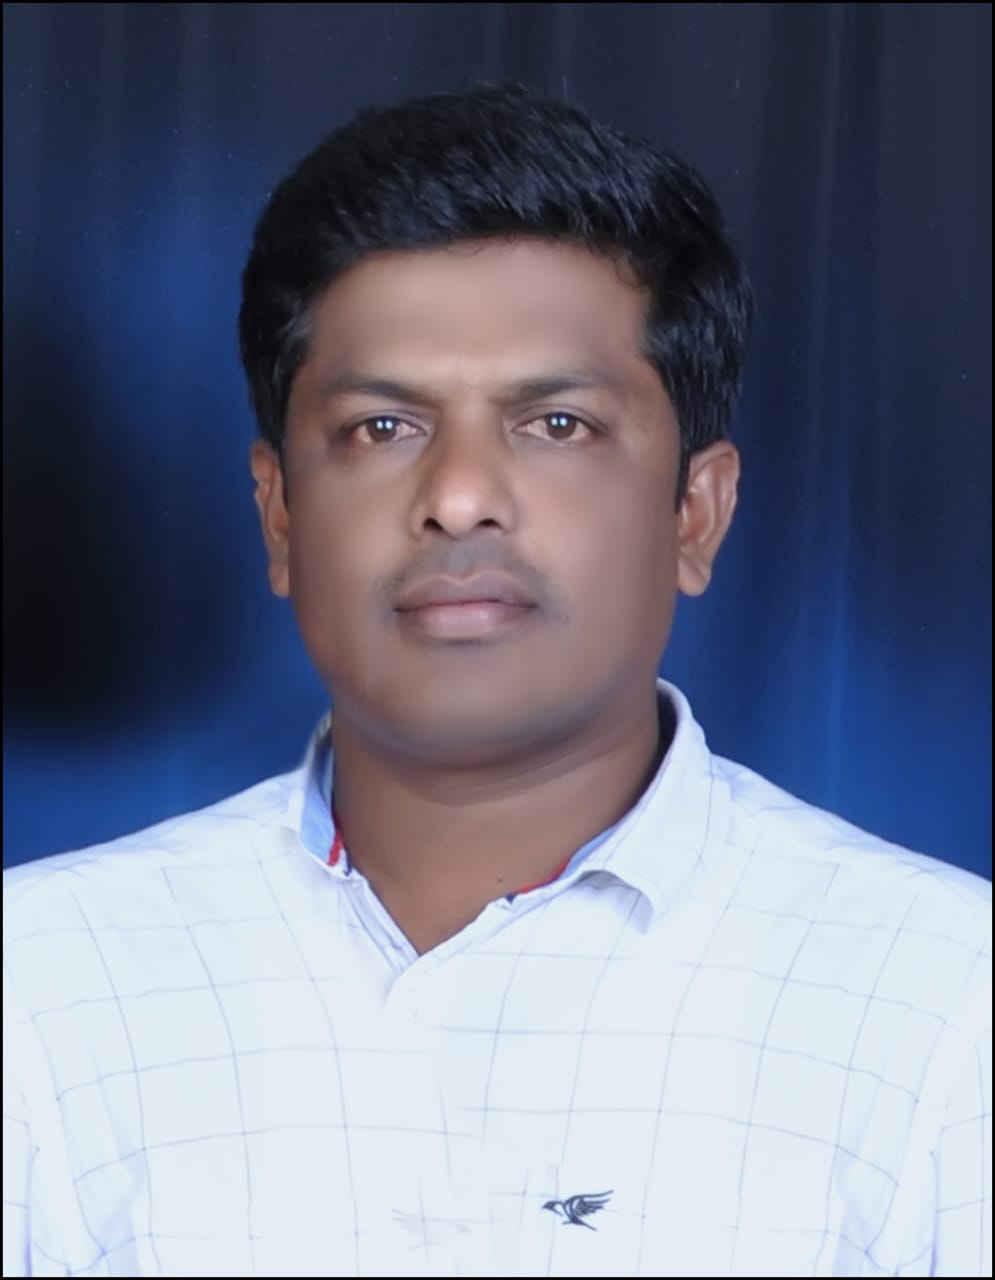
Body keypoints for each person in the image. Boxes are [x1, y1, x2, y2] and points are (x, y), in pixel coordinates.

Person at [3, 83, 990, 1280]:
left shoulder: (946, 1000)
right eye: (381, 428)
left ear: (695, 511)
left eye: (555, 423)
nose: (460, 495)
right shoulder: (39, 987)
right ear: (278, 516)